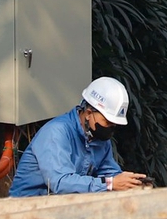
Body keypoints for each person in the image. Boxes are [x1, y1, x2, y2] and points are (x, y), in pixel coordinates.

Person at [8, 76, 150, 196]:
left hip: (60, 207)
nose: (110, 128)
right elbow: (60, 182)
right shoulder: (56, 132)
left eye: (114, 124)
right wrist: (110, 183)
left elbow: (110, 174)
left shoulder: (99, 138)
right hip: (26, 208)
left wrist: (131, 183)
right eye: (107, 122)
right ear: (88, 114)